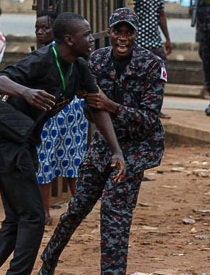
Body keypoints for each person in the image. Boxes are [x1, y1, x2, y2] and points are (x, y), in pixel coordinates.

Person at [0, 12, 126, 275]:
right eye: (86, 35)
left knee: (15, 221)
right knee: (33, 217)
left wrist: (116, 150)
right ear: (69, 39)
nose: (91, 39)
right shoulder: (41, 60)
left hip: (26, 144)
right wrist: (26, 91)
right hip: (7, 145)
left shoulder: (79, 67)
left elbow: (97, 106)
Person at [39, 8, 167, 274]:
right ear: (109, 32)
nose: (122, 38)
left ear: (135, 33)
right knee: (76, 208)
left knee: (114, 213)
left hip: (137, 148)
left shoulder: (151, 64)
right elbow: (89, 107)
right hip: (104, 146)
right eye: (117, 31)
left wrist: (112, 106)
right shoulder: (95, 61)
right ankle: (48, 261)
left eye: (128, 32)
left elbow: (150, 119)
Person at [32, 10, 85, 226]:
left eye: (45, 27)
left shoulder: (70, 55)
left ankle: (79, 207)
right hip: (48, 113)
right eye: (37, 28)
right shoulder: (38, 56)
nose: (40, 32)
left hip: (71, 112)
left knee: (74, 159)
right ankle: (44, 211)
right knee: (44, 161)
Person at [134, 0, 173, 119]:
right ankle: (141, 108)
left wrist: (167, 38)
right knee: (139, 75)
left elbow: (161, 14)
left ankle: (155, 108)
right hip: (139, 41)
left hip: (154, 41)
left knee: (160, 74)